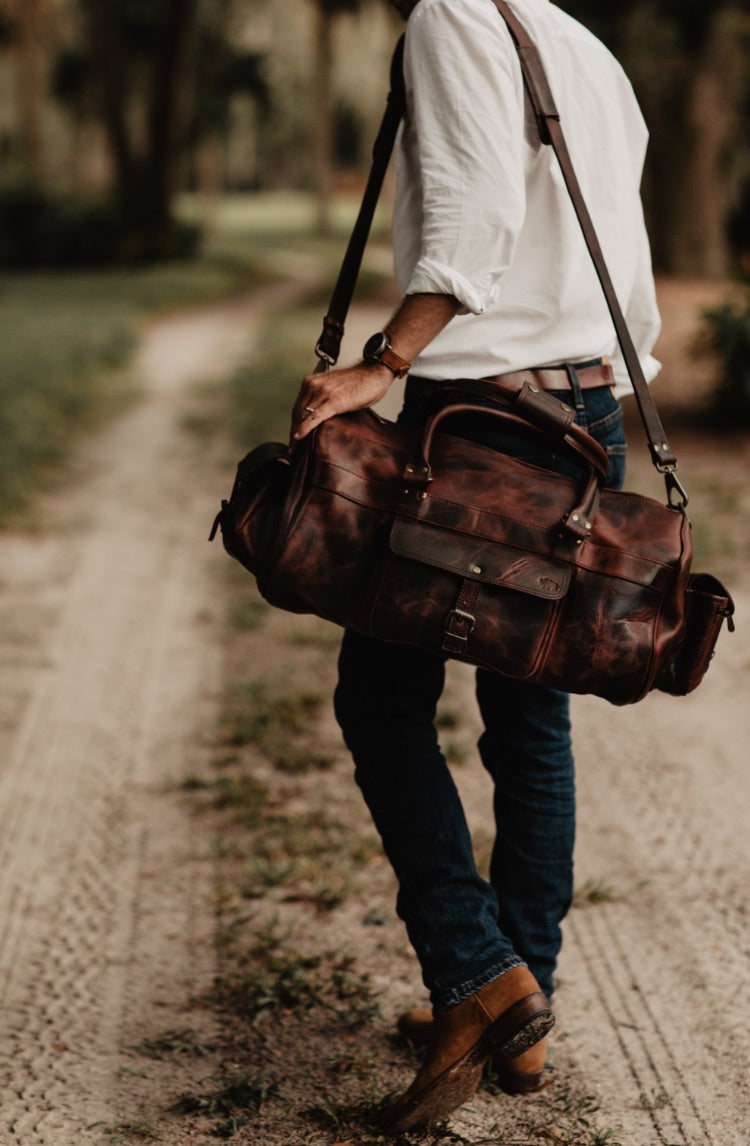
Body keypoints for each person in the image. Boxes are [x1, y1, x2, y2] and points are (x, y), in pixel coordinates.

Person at [291, 0, 661, 1132]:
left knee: (382, 695)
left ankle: (476, 972)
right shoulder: (580, 42)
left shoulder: (454, 14)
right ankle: (520, 996)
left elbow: (475, 217)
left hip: (490, 416)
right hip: (583, 396)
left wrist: (383, 364)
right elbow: (617, 248)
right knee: (528, 715)